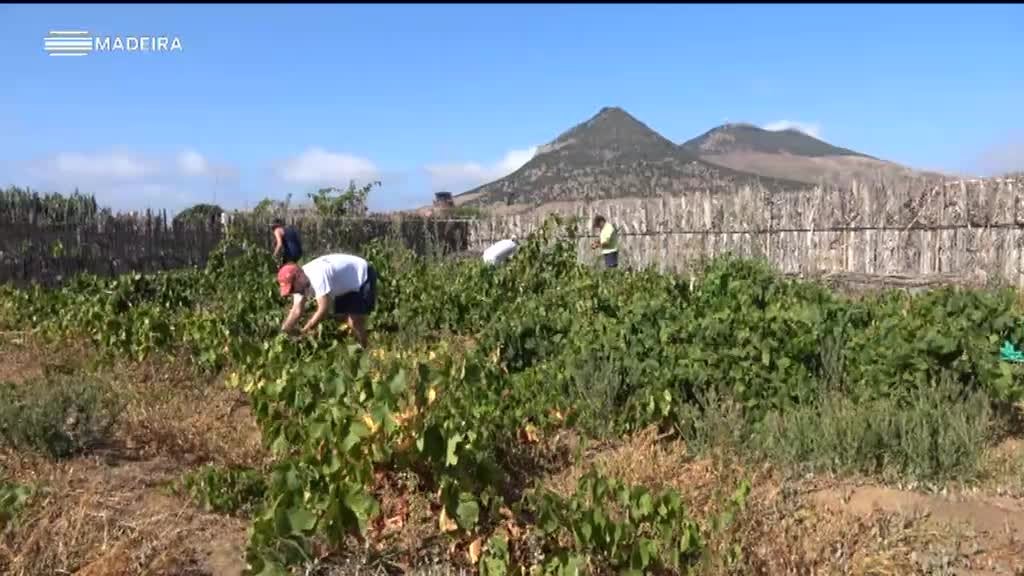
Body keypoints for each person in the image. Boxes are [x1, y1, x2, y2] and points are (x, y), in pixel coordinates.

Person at [277, 253, 378, 348]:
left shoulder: (317, 276)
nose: (292, 291)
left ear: (299, 276)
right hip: (343, 284)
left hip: (362, 275)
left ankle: (365, 348)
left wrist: (306, 330)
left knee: (355, 321)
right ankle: (354, 341)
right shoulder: (300, 285)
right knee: (340, 316)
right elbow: (296, 311)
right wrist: (285, 330)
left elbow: (323, 309)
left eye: (292, 288)